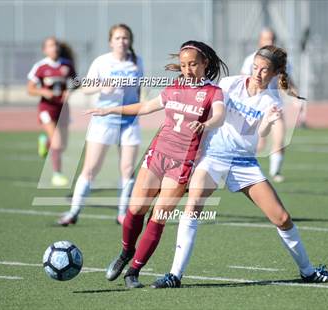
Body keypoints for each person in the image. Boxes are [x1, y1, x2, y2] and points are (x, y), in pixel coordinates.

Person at [151, 45, 328, 289]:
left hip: (244, 162)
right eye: (255, 67)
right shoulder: (230, 84)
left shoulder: (271, 100)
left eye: (264, 70)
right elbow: (207, 104)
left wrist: (269, 122)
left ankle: (309, 272)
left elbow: (257, 132)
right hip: (214, 156)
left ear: (275, 73)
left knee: (282, 218)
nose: (258, 73)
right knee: (193, 206)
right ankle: (174, 276)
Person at [87, 40, 228, 288]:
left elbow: (219, 115)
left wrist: (206, 124)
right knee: (136, 209)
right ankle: (125, 252)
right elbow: (145, 107)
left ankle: (134, 271)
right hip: (158, 154)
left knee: (159, 216)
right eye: (184, 65)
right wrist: (111, 111)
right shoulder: (173, 87)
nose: (187, 69)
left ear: (205, 63)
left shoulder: (213, 92)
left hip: (183, 161)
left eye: (193, 64)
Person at [58, 24, 144, 226]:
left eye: (125, 38)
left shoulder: (137, 61)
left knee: (128, 169)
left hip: (129, 121)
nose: (122, 41)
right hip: (104, 120)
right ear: (110, 41)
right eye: (117, 38)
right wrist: (101, 86)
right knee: (90, 169)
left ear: (130, 41)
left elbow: (139, 89)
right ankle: (74, 212)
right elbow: (85, 88)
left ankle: (122, 214)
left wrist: (138, 108)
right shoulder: (102, 62)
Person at [241, 28, 299, 183]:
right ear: (260, 41)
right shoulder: (250, 60)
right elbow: (243, 81)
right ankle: (239, 169)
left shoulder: (281, 62)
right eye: (266, 39)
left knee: (279, 139)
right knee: (258, 145)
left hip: (273, 107)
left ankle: (275, 173)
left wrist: (295, 97)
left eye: (272, 38)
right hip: (254, 107)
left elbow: (286, 82)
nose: (270, 42)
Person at [27, 37, 77, 186]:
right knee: (57, 141)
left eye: (55, 45)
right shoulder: (40, 67)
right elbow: (30, 89)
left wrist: (70, 90)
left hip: (63, 107)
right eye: (50, 46)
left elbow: (76, 82)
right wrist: (43, 91)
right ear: (45, 50)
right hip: (46, 108)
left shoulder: (66, 65)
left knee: (63, 144)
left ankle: (45, 142)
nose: (54, 48)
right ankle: (57, 174)